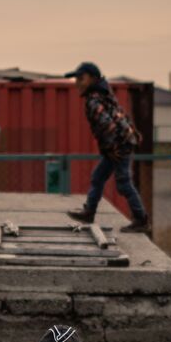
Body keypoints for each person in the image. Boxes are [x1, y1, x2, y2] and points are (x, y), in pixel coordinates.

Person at [63, 62, 150, 234]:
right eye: (76, 79)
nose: (77, 83)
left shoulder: (94, 100)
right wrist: (132, 132)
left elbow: (106, 125)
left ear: (93, 79)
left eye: (81, 78)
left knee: (123, 183)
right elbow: (121, 114)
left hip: (118, 145)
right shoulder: (104, 93)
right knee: (98, 177)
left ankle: (141, 220)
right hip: (120, 143)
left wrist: (112, 148)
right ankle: (89, 212)